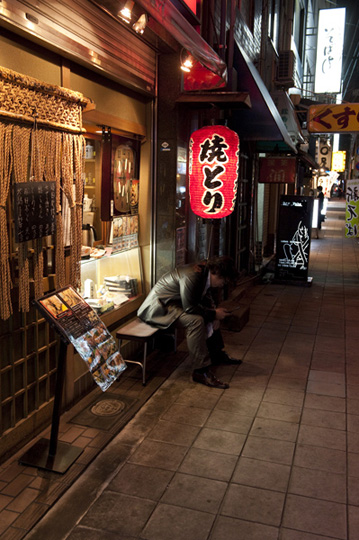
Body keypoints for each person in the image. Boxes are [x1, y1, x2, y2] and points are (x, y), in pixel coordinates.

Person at [137, 256, 241, 389]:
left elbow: (204, 298)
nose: (223, 284)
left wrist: (214, 314)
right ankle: (200, 371)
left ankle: (217, 354)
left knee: (210, 314)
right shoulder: (193, 276)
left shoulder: (204, 273)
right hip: (159, 308)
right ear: (216, 273)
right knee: (196, 321)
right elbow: (190, 308)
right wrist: (214, 314)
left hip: (175, 305)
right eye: (224, 280)